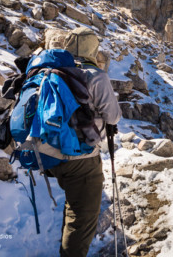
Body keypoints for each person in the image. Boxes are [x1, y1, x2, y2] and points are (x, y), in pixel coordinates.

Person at [48, 27, 121, 257]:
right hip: (81, 157)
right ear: (93, 49)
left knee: (74, 206)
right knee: (83, 219)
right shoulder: (95, 76)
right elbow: (113, 116)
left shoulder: (54, 71)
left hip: (51, 153)